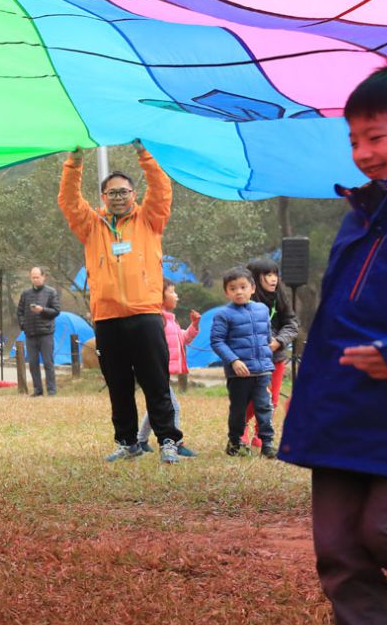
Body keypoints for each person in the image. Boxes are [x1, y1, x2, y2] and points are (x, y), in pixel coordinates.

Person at [280, 60, 387, 625]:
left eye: (376, 136)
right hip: (340, 413)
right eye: (354, 139)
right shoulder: (360, 214)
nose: (362, 152)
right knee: (338, 547)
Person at [59, 143, 183, 462]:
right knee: (118, 385)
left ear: (133, 194)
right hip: (107, 318)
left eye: (123, 192)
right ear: (103, 197)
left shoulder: (150, 219)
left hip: (146, 315)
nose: (118, 197)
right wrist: (74, 161)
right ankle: (128, 442)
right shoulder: (91, 226)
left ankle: (168, 440)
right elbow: (69, 201)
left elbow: (161, 188)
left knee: (156, 382)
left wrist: (145, 155)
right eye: (112, 193)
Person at [209, 267, 276, 458]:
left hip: (262, 371)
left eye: (243, 287)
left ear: (252, 288)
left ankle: (267, 444)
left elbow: (267, 336)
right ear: (226, 292)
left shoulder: (262, 310)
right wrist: (234, 361)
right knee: (239, 410)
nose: (238, 291)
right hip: (239, 373)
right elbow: (217, 341)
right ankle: (235, 442)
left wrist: (267, 358)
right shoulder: (223, 314)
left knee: (264, 407)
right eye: (233, 288)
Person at [136, 281, 199, 456]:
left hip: (162, 371)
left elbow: (183, 339)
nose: (176, 296)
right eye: (172, 292)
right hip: (155, 370)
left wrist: (194, 326)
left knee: (157, 406)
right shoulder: (157, 320)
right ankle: (176, 442)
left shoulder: (171, 320)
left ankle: (141, 440)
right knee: (172, 407)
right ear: (160, 297)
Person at [241, 256, 299, 445]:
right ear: (254, 278)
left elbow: (291, 324)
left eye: (275, 274)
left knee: (271, 399)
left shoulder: (280, 297)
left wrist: (279, 341)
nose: (273, 278)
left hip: (276, 357)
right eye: (268, 274)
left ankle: (261, 434)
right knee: (251, 398)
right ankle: (241, 429)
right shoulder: (244, 301)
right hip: (250, 360)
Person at [16, 266, 61, 396]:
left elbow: (56, 311)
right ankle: (38, 390)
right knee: (33, 364)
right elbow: (20, 312)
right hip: (30, 334)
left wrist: (42, 310)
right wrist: (23, 325)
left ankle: (51, 390)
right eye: (33, 277)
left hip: (46, 333)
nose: (35, 279)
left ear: (43, 277)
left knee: (48, 363)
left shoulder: (51, 292)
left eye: (37, 277)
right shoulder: (25, 293)